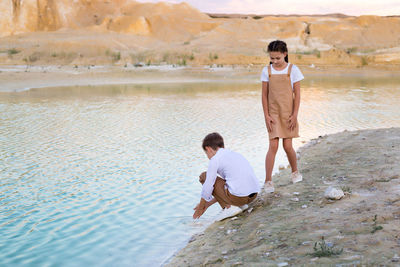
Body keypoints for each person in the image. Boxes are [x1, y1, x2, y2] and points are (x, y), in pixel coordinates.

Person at [260, 40, 304, 193]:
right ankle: (268, 181)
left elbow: (297, 95)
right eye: (272, 58)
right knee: (273, 146)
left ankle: (295, 171)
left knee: (287, 146)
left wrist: (294, 115)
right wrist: (266, 115)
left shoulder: (293, 70)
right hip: (273, 114)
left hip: (288, 114)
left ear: (285, 54)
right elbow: (264, 96)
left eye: (277, 58)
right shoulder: (267, 71)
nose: (274, 61)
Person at [193, 132, 260, 221]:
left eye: (206, 154)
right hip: (252, 196)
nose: (208, 157)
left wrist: (200, 207)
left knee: (204, 176)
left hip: (240, 197)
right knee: (226, 184)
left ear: (208, 149)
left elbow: (208, 186)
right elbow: (226, 189)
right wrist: (207, 204)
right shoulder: (235, 154)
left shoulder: (215, 159)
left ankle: (228, 208)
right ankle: (239, 206)